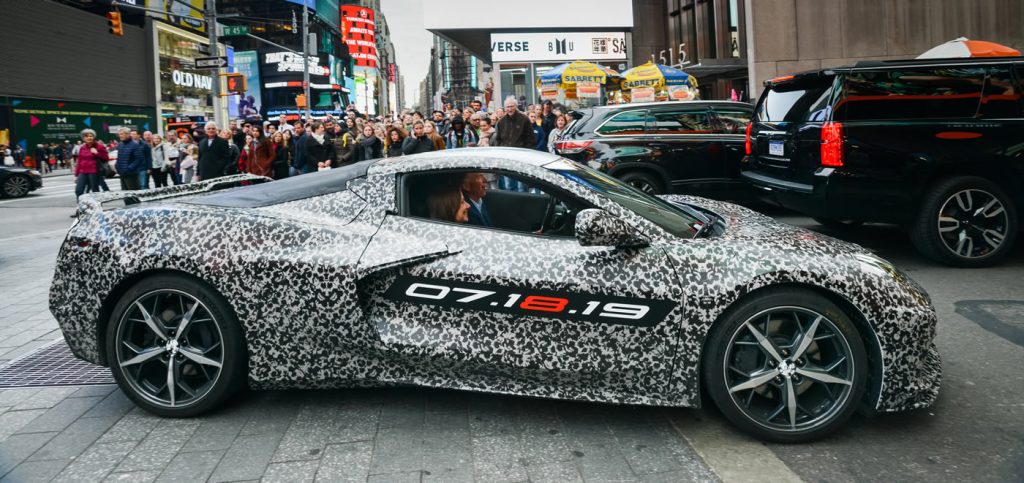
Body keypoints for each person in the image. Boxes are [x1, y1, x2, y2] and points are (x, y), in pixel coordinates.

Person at [73, 129, 108, 205]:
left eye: (90, 136)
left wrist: (96, 153)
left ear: (94, 137)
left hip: (94, 172)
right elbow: (79, 161)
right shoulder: (82, 147)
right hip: (83, 172)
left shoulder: (100, 146)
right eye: (86, 136)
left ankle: (97, 209)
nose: (89, 138)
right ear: (83, 138)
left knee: (95, 191)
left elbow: (105, 158)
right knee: (78, 190)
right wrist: (76, 175)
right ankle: (81, 210)